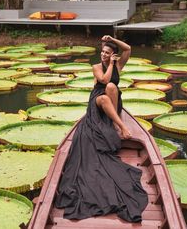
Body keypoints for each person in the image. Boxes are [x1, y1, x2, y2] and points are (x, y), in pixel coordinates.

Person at [55, 35, 148, 222]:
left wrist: (113, 39)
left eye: (108, 52)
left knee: (113, 87)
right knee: (107, 90)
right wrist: (112, 65)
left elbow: (128, 48)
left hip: (113, 101)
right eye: (103, 52)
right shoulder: (96, 67)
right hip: (97, 99)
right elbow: (104, 81)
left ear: (113, 54)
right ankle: (120, 125)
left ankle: (113, 120)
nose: (104, 55)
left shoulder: (119, 63)